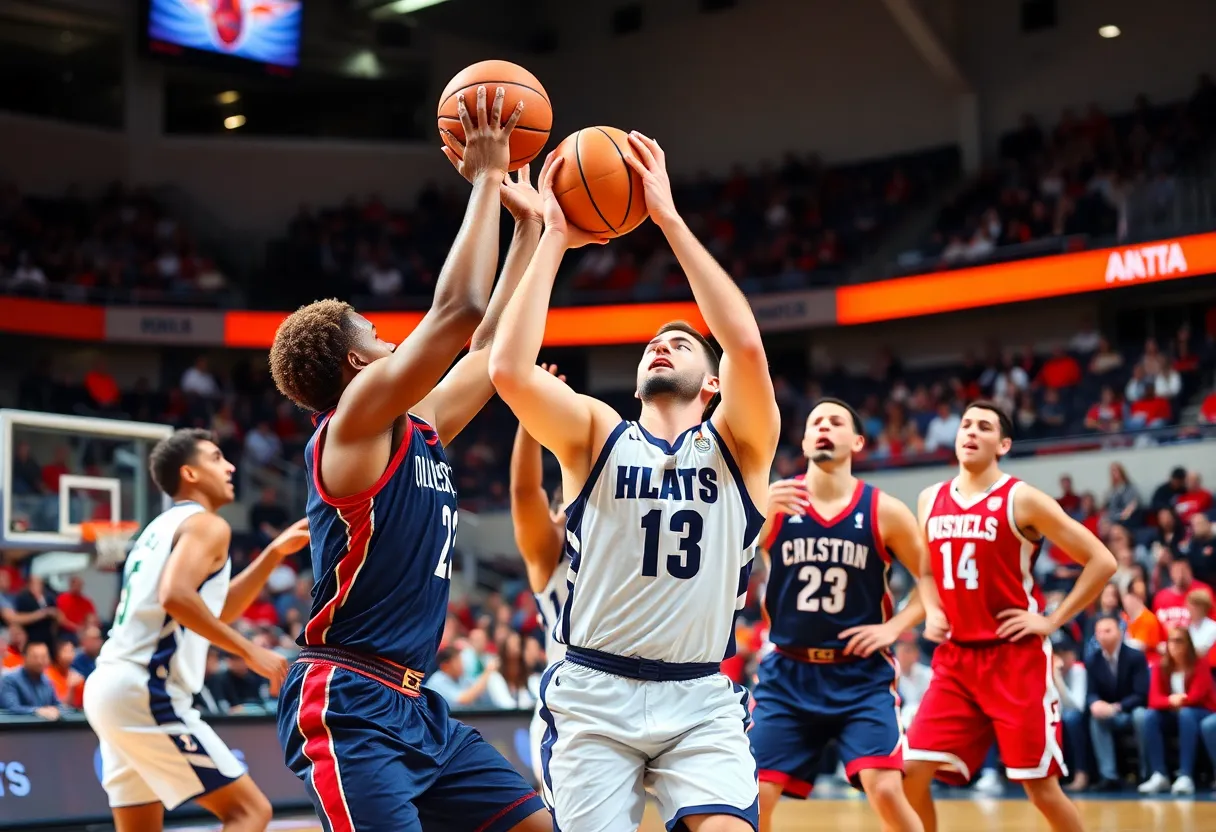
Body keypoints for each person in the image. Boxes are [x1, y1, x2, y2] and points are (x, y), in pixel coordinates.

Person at [269, 85, 550, 832]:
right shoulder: (352, 425)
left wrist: (535, 232)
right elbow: (457, 315)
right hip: (348, 700)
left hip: (417, 705)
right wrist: (487, 178)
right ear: (357, 367)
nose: (393, 339)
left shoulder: (416, 425)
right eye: (375, 333)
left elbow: (487, 350)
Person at [488, 133, 778, 832]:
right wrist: (553, 234)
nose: (660, 342)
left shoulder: (741, 444)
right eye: (652, 341)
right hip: (594, 692)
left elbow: (743, 343)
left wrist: (669, 218)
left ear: (711, 384)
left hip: (699, 695)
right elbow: (507, 370)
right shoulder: (597, 434)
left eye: (679, 341)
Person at [902, 401, 1117, 832]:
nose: (971, 432)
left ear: (1003, 445)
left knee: (1040, 788)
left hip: (1014, 660)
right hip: (956, 661)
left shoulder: (1023, 499)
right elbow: (925, 569)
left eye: (984, 427)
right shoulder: (930, 499)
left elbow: (1102, 561)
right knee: (908, 774)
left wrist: (1051, 620)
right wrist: (933, 607)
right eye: (965, 424)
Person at [82, 429, 309, 832]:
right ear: (189, 473)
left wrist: (272, 554)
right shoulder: (206, 524)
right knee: (250, 813)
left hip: (109, 687)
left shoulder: (160, 528)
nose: (230, 466)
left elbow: (214, 609)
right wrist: (248, 650)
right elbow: (176, 596)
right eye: (217, 457)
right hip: (145, 690)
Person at [750, 399, 925, 832]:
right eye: (816, 422)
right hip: (788, 675)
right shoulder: (776, 503)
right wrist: (754, 517)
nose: (825, 426)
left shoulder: (885, 510)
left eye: (837, 421)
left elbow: (934, 580)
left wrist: (895, 627)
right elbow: (722, 565)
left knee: (884, 789)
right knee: (753, 795)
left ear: (858, 441)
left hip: (860, 676)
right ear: (806, 441)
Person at [507, 366, 570, 797]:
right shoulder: (552, 552)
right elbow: (525, 492)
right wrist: (532, 416)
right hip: (574, 706)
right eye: (563, 504)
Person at [1138, 627, 1216, 795]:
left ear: (1188, 644)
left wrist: (1179, 700)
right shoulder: (1161, 666)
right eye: (1171, 641)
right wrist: (1170, 701)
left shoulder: (1200, 663)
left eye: (1179, 641)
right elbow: (1154, 699)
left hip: (1202, 712)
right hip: (1174, 712)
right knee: (1150, 716)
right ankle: (1160, 775)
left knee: (1186, 713)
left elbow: (1198, 695)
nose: (1174, 645)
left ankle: (1185, 776)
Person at [1083, 614, 1148, 791]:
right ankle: (1108, 776)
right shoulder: (1092, 660)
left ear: (1119, 632)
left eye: (1107, 631)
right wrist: (1095, 703)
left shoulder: (1135, 656)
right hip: (1109, 712)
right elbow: (1090, 693)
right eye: (1099, 632)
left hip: (1131, 709)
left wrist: (1116, 707)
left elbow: (1141, 694)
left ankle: (1146, 773)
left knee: (1142, 716)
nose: (1102, 635)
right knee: (1095, 718)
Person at [0, 641, 61, 719]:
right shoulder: (10, 680)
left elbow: (57, 705)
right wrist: (36, 711)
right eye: (35, 657)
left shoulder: (47, 681)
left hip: (45, 729)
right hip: (18, 729)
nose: (40, 661)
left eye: (44, 657)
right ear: (24, 657)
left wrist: (56, 710)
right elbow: (11, 708)